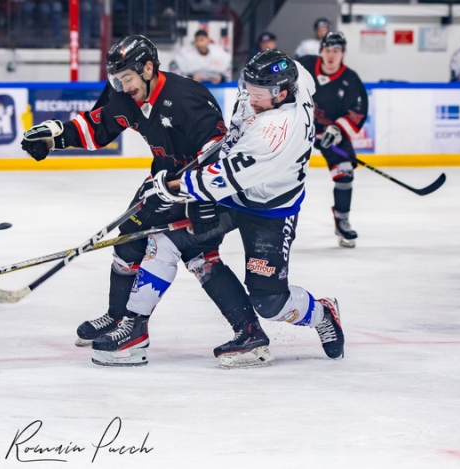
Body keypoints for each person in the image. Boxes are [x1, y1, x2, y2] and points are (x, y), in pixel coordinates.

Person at [20, 34, 266, 367]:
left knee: (198, 257)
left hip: (200, 187)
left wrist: (201, 198)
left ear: (148, 68)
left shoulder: (186, 97)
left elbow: (218, 150)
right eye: (117, 80)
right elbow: (98, 127)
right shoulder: (126, 97)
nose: (122, 87)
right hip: (161, 182)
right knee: (125, 243)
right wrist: (55, 138)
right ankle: (118, 317)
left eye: (127, 78)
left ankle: (247, 331)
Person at [147, 49, 345, 361]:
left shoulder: (275, 134)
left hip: (270, 209)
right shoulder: (293, 74)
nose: (251, 99)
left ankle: (322, 313)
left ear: (282, 94)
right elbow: (301, 68)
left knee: (270, 303)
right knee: (176, 243)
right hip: (237, 192)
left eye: (259, 96)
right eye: (248, 90)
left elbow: (220, 179)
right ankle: (245, 333)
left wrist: (171, 187)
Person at [297, 31, 368, 247]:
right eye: (328, 50)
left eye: (336, 51)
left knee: (345, 172)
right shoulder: (304, 66)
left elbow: (358, 110)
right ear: (321, 52)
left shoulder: (350, 79)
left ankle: (342, 221)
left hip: (332, 134)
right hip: (299, 131)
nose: (331, 55)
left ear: (343, 53)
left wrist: (337, 130)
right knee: (284, 175)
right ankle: (275, 222)